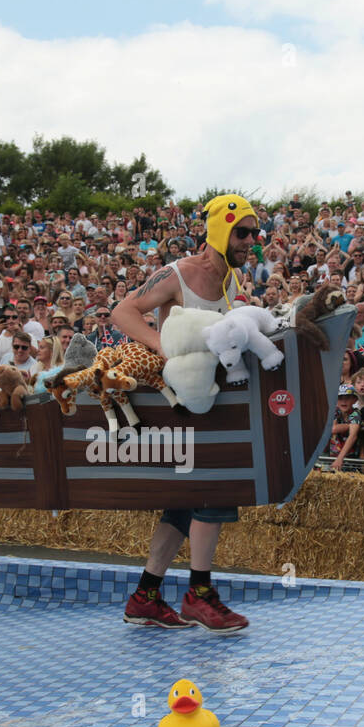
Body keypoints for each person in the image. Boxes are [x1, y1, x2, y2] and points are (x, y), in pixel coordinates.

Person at [109, 193, 258, 632]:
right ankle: (199, 593)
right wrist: (163, 348)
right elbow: (122, 311)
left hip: (212, 401)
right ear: (219, 230)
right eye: (243, 232)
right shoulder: (177, 273)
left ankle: (146, 596)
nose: (252, 241)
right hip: (182, 402)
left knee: (182, 503)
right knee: (213, 490)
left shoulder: (233, 283)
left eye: (254, 233)